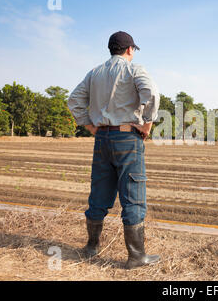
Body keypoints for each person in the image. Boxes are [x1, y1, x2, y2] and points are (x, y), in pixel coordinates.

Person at [68, 31, 160, 269]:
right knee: (133, 195)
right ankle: (137, 256)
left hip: (102, 139)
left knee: (99, 192)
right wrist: (147, 124)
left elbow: (74, 100)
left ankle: (91, 247)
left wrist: (90, 126)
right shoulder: (135, 69)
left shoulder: (95, 73)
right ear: (130, 49)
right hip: (127, 137)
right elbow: (150, 93)